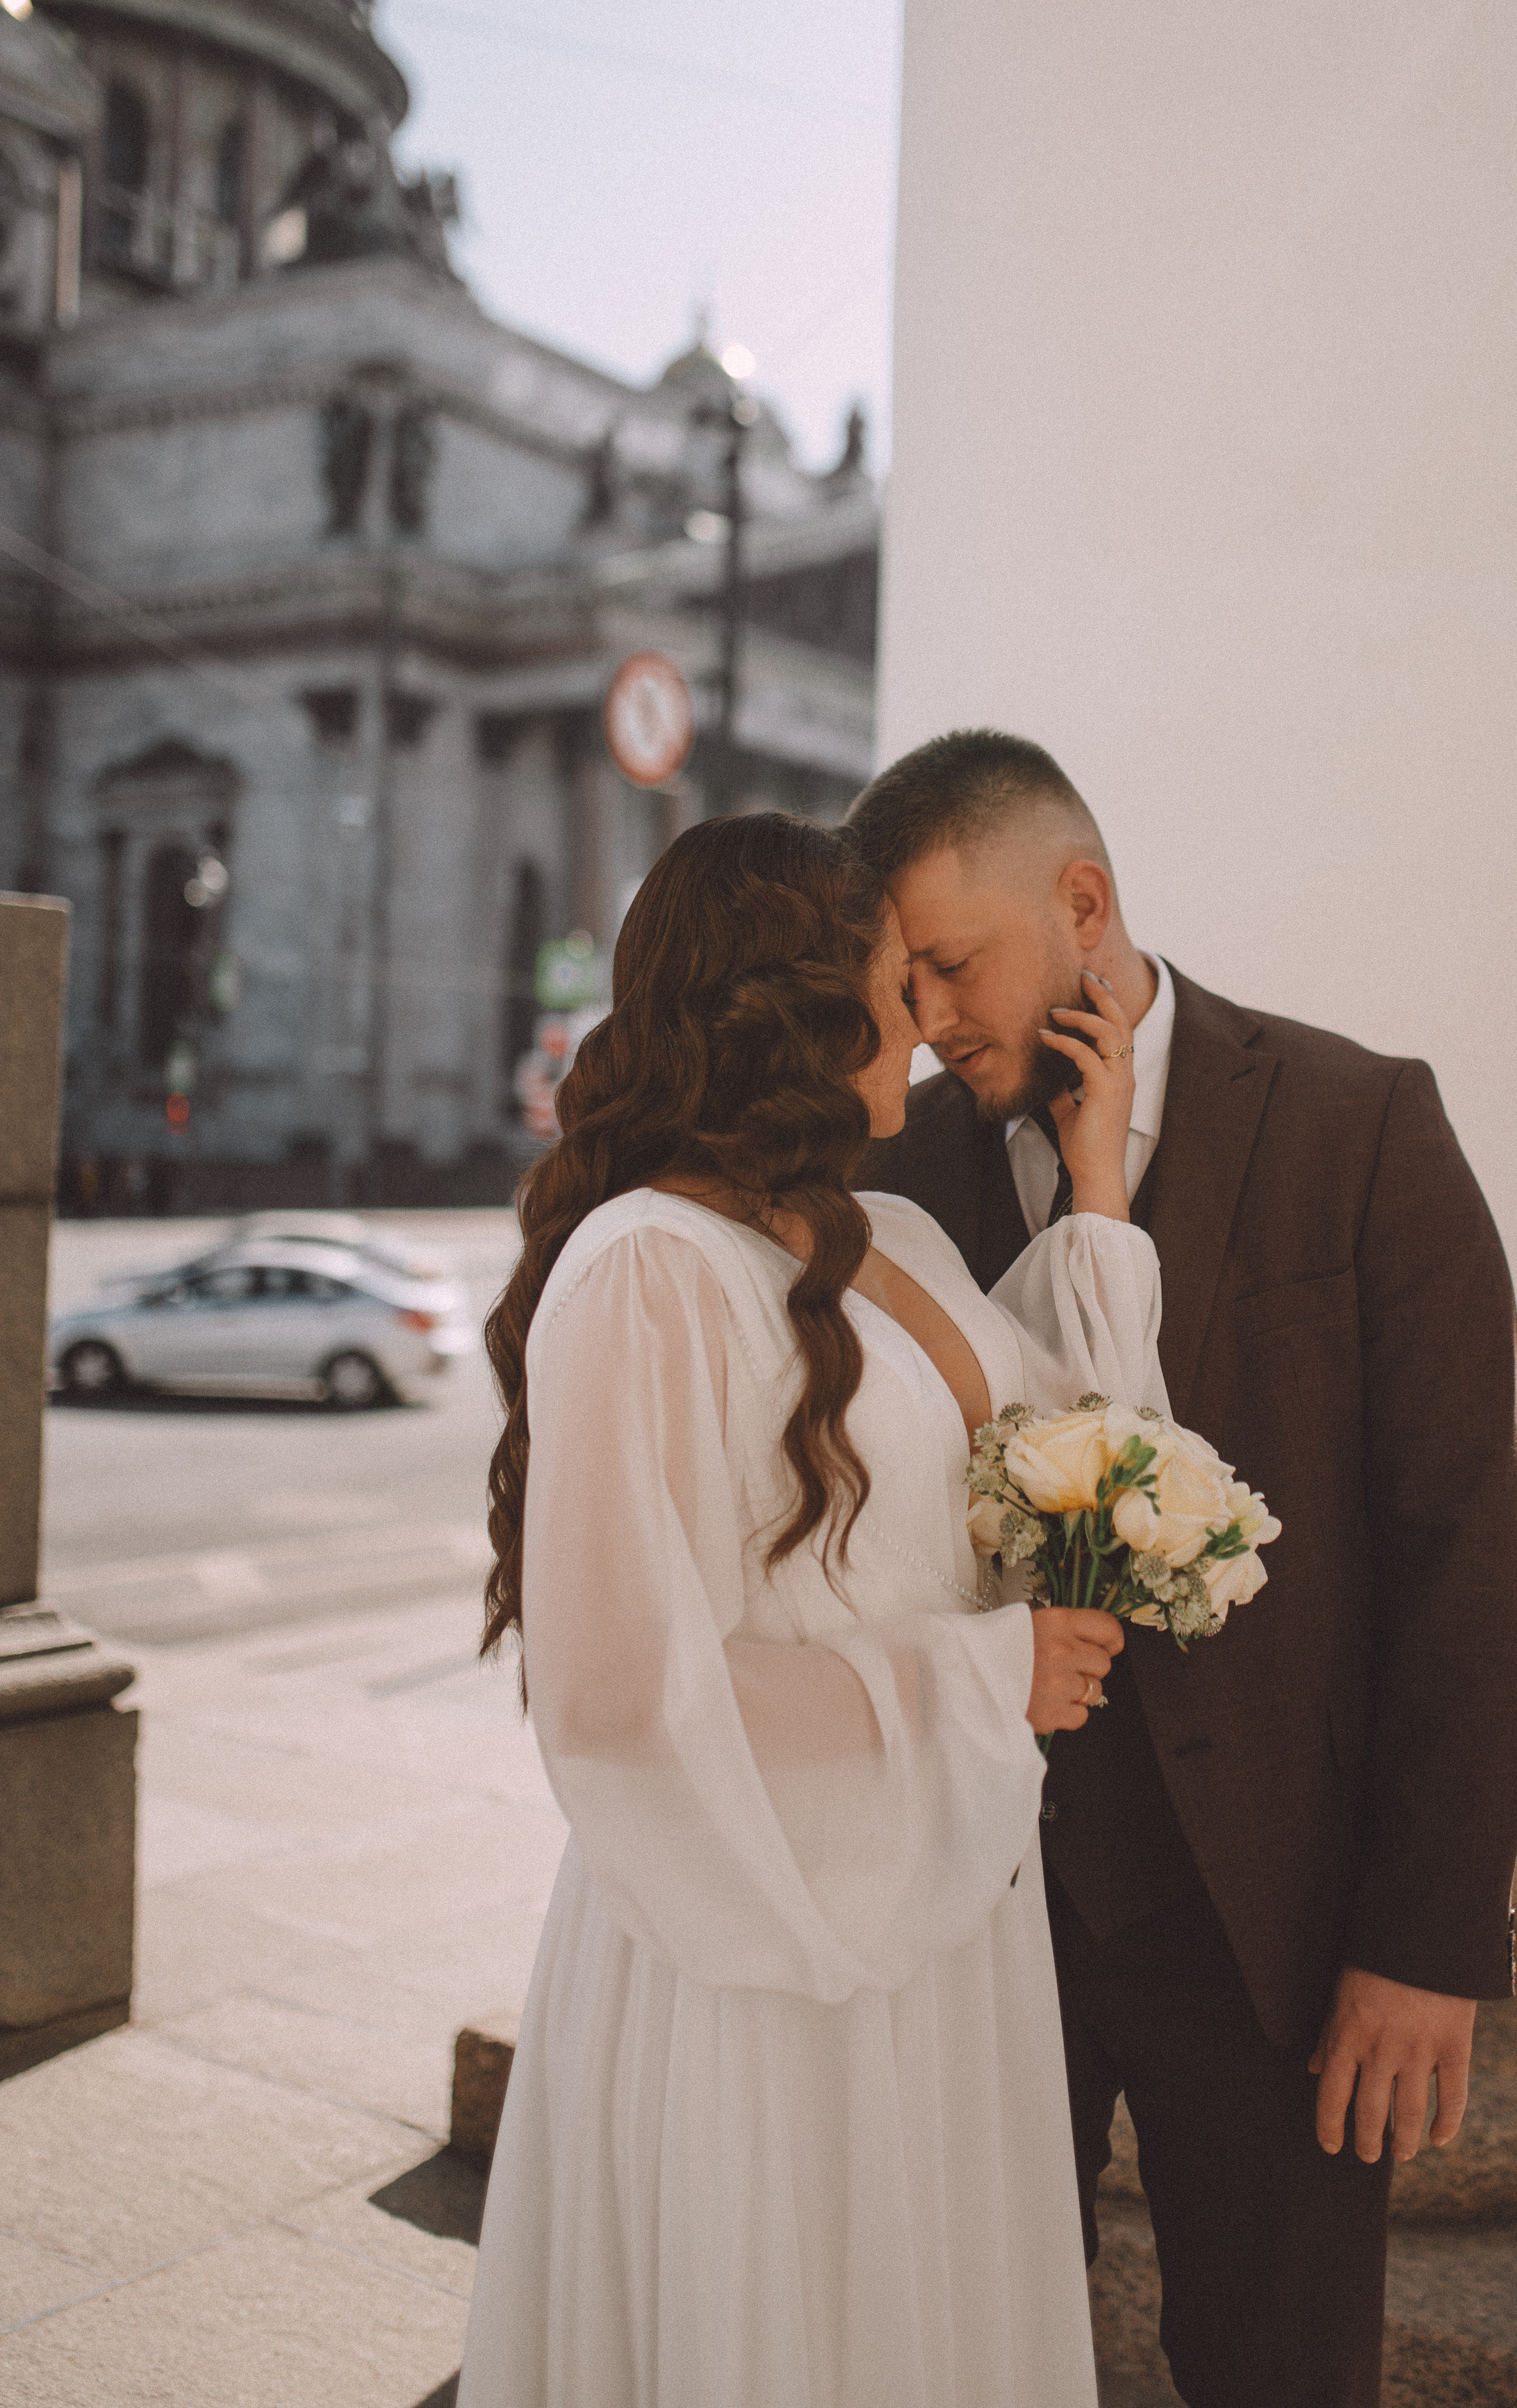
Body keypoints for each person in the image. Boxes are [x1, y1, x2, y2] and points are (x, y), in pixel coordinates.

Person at [849, 730, 1517, 2408]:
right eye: (904, 982)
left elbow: (1469, 1542)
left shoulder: (1361, 1121)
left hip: (1281, 1941)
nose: (929, 1018)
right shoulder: (893, 1173)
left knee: (1280, 2375)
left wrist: (1425, 1936)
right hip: (979, 1921)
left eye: (950, 964)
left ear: (1081, 903)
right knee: (968, 2358)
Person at [457, 810, 1167, 2408]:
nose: (923, 1019)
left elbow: (1086, 1465)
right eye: (890, 978)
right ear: (791, 1003)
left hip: (945, 1909)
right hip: (754, 1920)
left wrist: (1100, 1175)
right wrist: (980, 1678)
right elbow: (620, 1695)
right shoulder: (645, 1267)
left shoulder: (891, 1235)